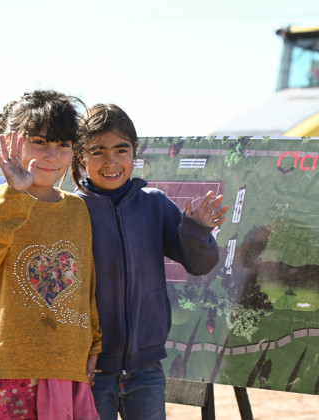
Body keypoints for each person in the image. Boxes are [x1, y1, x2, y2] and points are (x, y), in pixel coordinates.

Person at [71, 103, 228, 420]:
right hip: (88, 370)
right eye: (97, 151)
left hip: (146, 369)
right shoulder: (70, 210)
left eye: (121, 150)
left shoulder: (154, 204)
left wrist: (196, 231)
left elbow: (199, 264)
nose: (111, 161)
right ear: (80, 156)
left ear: (135, 151)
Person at [0, 90, 101, 419]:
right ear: (12, 141)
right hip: (11, 365)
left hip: (66, 365)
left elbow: (86, 286)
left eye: (64, 144)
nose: (52, 155)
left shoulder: (77, 209)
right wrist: (15, 194)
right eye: (39, 142)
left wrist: (93, 343)